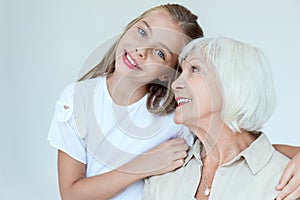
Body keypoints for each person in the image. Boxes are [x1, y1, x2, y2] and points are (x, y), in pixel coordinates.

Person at [48, 4, 300, 200]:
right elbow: (71, 194)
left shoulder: (175, 114)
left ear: (168, 73)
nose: (140, 51)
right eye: (142, 31)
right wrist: (142, 166)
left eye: (160, 53)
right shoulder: (79, 100)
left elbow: (234, 146)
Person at [142, 37, 299, 200]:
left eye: (194, 69)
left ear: (232, 82)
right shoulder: (163, 175)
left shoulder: (288, 181)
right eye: (182, 71)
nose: (175, 85)